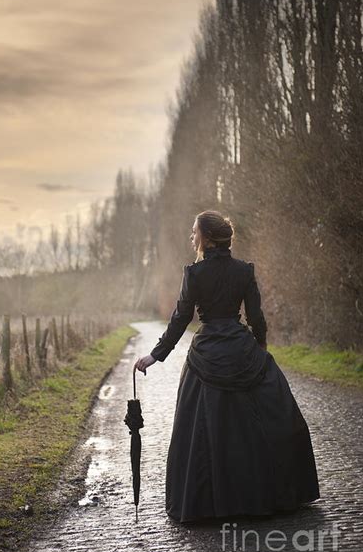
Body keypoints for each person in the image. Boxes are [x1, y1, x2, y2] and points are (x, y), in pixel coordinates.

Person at [133, 209, 320, 524]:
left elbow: (181, 318)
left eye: (194, 232)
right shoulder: (244, 271)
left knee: (205, 434)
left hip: (206, 353)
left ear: (205, 237)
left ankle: (212, 504)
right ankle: (269, 494)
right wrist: (258, 349)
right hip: (242, 346)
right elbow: (256, 317)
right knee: (261, 423)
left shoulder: (194, 274)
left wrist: (156, 355)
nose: (192, 237)